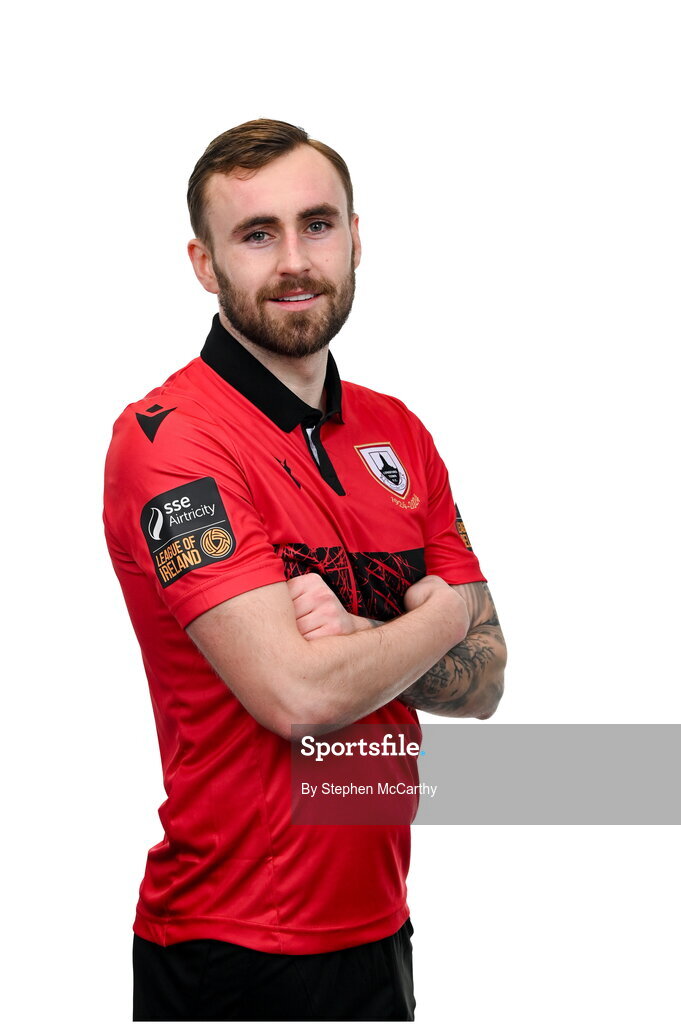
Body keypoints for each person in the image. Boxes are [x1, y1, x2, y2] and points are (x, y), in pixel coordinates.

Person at [103, 118, 507, 1022]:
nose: (294, 261)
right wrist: (442, 617)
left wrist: (362, 634)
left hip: (380, 929)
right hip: (231, 947)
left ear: (354, 238)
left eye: (316, 225)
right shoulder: (170, 441)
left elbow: (487, 682)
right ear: (205, 265)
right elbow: (295, 696)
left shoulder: (397, 431)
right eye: (256, 234)